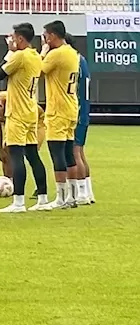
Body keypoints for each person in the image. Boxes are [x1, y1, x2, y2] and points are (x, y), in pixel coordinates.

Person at [0, 23, 50, 213]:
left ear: (20, 39)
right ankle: (42, 198)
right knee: (33, 155)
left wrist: (9, 52)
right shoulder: (36, 56)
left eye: (13, 37)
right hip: (31, 110)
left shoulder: (19, 56)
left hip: (17, 113)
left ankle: (18, 202)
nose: (11, 40)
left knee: (16, 156)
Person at [40, 20, 80, 210]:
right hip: (71, 107)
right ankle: (73, 195)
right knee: (68, 152)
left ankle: (61, 198)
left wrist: (43, 50)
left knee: (57, 153)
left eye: (46, 36)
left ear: (53, 35)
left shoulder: (56, 54)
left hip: (58, 110)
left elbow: (38, 69)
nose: (45, 39)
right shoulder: (73, 53)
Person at [67, 35, 94, 205]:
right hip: (84, 111)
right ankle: (88, 191)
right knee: (80, 152)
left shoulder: (73, 61)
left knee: (74, 152)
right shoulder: (82, 60)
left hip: (76, 111)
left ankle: (81, 193)